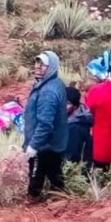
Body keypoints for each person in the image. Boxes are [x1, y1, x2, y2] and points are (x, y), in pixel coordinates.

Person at [23, 51, 69, 199]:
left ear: (51, 67)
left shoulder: (48, 92)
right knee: (55, 174)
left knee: (36, 177)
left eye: (42, 64)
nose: (37, 66)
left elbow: (45, 124)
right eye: (37, 62)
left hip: (44, 146)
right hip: (53, 143)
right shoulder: (52, 83)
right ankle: (60, 198)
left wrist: (34, 145)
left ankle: (33, 204)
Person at [64, 86, 93, 166]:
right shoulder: (64, 118)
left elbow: (71, 157)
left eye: (67, 103)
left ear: (75, 106)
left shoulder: (76, 126)